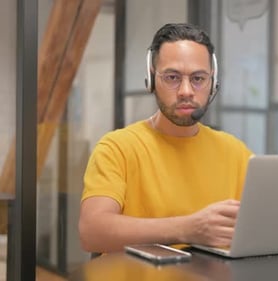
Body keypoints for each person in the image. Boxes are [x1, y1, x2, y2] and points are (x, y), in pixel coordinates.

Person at [79, 23, 253, 253]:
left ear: (213, 83)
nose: (186, 91)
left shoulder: (236, 152)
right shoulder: (117, 148)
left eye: (198, 79)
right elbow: (92, 232)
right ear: (151, 80)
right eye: (172, 77)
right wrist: (188, 228)